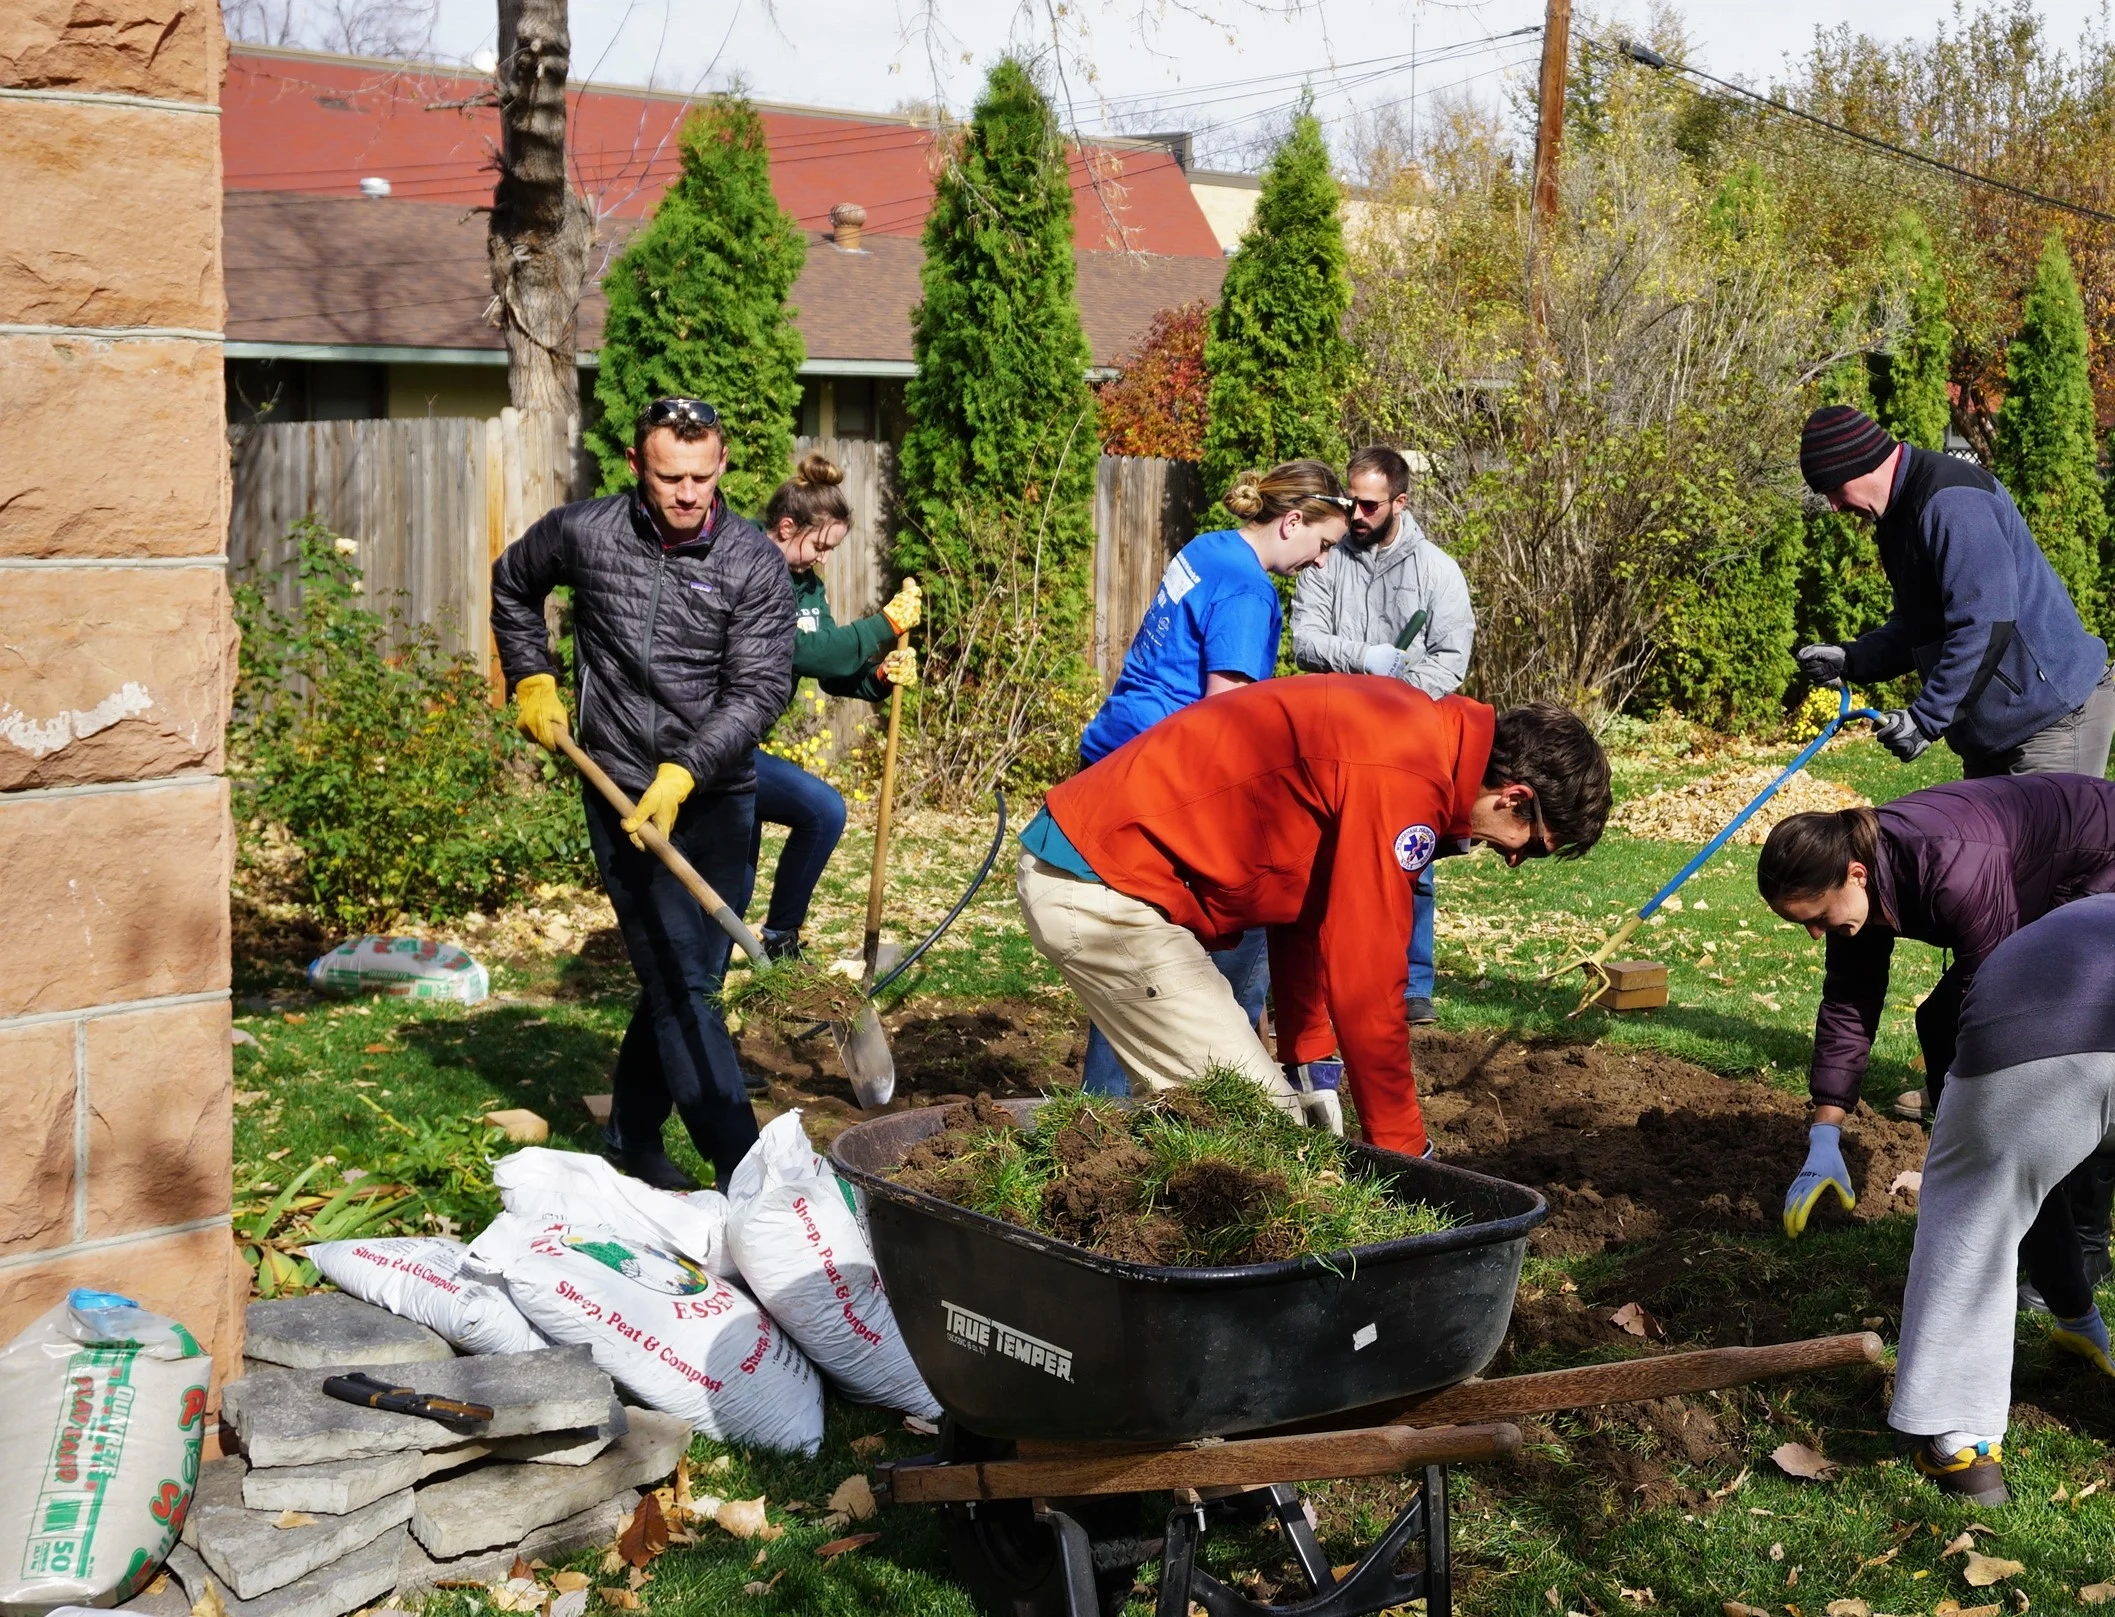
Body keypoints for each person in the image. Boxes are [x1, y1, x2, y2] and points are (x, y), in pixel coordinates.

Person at [1018, 683, 1611, 1155]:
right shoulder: (1409, 775)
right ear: (1516, 798)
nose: (1512, 860)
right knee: (1264, 1130)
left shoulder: (1418, 734)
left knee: (1241, 1121)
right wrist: (1405, 1153)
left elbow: (1306, 906)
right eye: (1530, 845)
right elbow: (1369, 983)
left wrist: (1308, 1056)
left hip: (1105, 876)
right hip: (1101, 892)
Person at [493, 397, 795, 1193]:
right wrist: (531, 674)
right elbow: (513, 584)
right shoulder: (584, 532)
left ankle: (629, 1130)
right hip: (620, 785)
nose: (688, 493)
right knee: (682, 981)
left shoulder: (752, 562)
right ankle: (746, 1173)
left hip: (718, 790)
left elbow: (761, 685)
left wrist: (689, 768)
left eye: (701, 475)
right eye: (670, 477)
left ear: (722, 465)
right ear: (636, 467)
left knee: (691, 972)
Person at [1757, 777, 2115, 1321]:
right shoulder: (1862, 874)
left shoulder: (1952, 871)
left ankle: (2085, 1245)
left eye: (1816, 919)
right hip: (2039, 872)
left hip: (2102, 864)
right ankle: (1992, 1176)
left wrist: (1956, 1163)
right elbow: (1849, 1001)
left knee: (2065, 1048)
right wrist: (1825, 1133)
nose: (1813, 934)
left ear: (1856, 874)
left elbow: (1998, 1014)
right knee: (1941, 1020)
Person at [1074, 460, 1353, 1097]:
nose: (1321, 564)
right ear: (1291, 522)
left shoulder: (1210, 548)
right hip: (1159, 779)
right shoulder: (1250, 594)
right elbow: (1226, 720)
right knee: (1238, 931)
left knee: (1129, 943)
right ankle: (1226, 1104)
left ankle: (1110, 1111)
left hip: (1116, 750)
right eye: (1324, 545)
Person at [1888, 893, 2115, 1506]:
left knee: (1976, 1209)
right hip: (2067, 1017)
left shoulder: (2042, 937)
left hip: (2035, 1030)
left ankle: (1964, 1444)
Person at [1792, 403, 2114, 778]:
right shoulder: (1897, 515)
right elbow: (1921, 626)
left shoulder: (1952, 499)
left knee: (2054, 840)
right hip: (1993, 736)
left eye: (1833, 488)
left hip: (2053, 722)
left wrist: (1926, 718)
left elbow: (1987, 623)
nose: (1833, 506)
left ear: (1856, 463)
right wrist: (1853, 659)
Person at [1291, 444, 1475, 1027]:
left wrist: (1402, 695)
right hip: (1334, 729)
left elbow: (1450, 660)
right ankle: (1317, 979)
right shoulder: (1326, 559)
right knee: (1320, 857)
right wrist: (1366, 661)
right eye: (1351, 501)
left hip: (1404, 737)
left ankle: (1413, 982)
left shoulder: (1438, 572)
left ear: (1400, 501)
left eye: (1369, 504)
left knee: (1411, 857)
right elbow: (1306, 641)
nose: (1357, 514)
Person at [750, 452, 922, 961]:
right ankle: (769, 945)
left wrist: (876, 677)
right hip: (712, 744)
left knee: (804, 824)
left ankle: (776, 941)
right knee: (822, 810)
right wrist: (882, 626)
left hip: (741, 747)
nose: (823, 558)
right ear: (786, 527)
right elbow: (800, 650)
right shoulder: (751, 572)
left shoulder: (805, 585)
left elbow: (828, 662)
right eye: (820, 545)